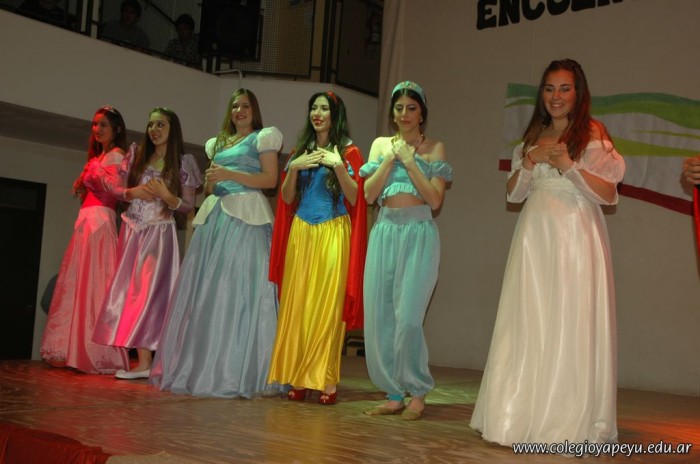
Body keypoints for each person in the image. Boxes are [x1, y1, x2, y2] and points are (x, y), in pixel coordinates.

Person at [470, 59, 626, 445]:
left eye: (564, 88)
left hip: (575, 236)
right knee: (528, 319)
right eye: (549, 88)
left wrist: (570, 166)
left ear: (578, 93)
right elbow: (514, 194)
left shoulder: (592, 133)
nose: (556, 96)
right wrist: (529, 161)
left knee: (569, 318)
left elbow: (608, 194)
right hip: (533, 238)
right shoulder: (533, 134)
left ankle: (564, 421)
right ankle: (517, 416)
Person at [149, 89, 282, 398]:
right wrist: (213, 181)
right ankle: (205, 366)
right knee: (211, 291)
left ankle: (239, 370)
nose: (239, 111)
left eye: (245, 106)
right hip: (218, 216)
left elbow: (270, 180)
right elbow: (209, 186)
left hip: (246, 216)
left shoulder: (263, 138)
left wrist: (229, 173)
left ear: (254, 110)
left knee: (240, 289)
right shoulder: (219, 143)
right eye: (235, 106)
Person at [267, 91, 367, 406]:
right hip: (301, 233)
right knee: (298, 305)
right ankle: (298, 378)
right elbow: (286, 199)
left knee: (327, 306)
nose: (318, 113)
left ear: (335, 115)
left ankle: (326, 380)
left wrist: (338, 166)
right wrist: (294, 168)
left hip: (333, 231)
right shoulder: (300, 151)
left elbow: (356, 198)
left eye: (324, 108)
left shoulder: (350, 152)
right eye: (314, 108)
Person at [360, 81, 451, 420]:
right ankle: (394, 392)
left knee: (409, 318)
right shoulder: (380, 145)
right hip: (384, 231)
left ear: (421, 113)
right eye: (399, 108)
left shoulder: (435, 148)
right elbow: (369, 195)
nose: (404, 114)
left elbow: (435, 199)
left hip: (418, 232)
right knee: (382, 316)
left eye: (411, 108)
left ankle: (417, 389)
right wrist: (391, 158)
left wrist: (411, 161)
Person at [92, 107, 202, 380]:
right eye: (152, 125)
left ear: (172, 129)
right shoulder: (136, 154)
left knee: (150, 294)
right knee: (130, 292)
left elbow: (188, 206)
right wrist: (133, 192)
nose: (154, 130)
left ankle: (154, 361)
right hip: (132, 232)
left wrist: (166, 194)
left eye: (161, 125)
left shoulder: (183, 162)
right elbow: (118, 189)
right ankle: (143, 362)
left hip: (159, 235)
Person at [40, 106, 130, 374]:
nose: (97, 129)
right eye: (95, 124)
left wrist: (94, 173)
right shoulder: (99, 156)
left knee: (94, 282)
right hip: (86, 220)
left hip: (100, 222)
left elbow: (118, 190)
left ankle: (93, 350)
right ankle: (71, 347)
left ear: (116, 129)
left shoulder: (117, 155)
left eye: (103, 125)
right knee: (77, 282)